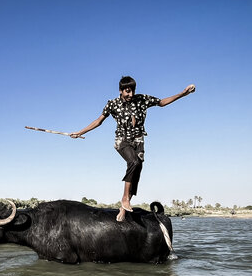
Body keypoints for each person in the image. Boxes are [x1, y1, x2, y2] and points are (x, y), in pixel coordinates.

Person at [71, 76, 195, 221]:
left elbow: (161, 103)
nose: (130, 95)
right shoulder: (113, 104)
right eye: (127, 91)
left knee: (136, 172)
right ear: (120, 90)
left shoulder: (142, 99)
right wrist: (80, 132)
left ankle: (124, 208)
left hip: (138, 141)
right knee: (134, 162)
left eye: (132, 91)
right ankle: (125, 199)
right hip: (122, 141)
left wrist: (183, 93)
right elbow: (99, 121)